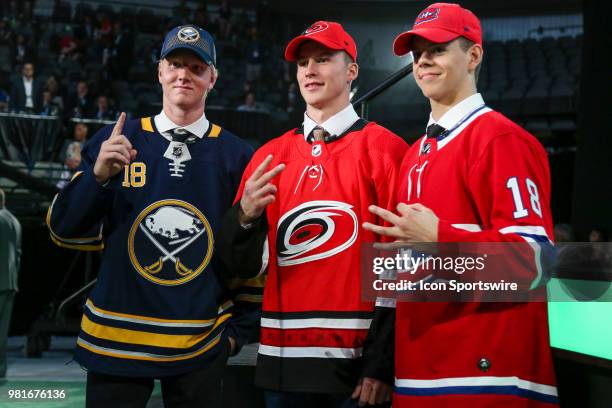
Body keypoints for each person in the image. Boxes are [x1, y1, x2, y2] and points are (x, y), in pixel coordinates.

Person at [47, 24, 258, 407]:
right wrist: (97, 179)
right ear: (160, 71)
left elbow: (248, 257)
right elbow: (63, 231)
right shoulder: (117, 140)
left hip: (200, 341)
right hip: (115, 339)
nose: (184, 75)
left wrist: (235, 334)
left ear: (213, 78)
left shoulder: (238, 156)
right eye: (176, 64)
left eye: (196, 68)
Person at [363, 3, 559, 407]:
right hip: (415, 376)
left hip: (487, 381)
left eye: (436, 49)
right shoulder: (414, 152)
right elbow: (402, 279)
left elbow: (537, 265)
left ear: (473, 56)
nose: (423, 61)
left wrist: (439, 237)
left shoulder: (502, 140)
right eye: (417, 53)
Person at [217, 21, 408, 408]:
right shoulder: (268, 157)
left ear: (352, 70)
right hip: (283, 362)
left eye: (323, 59)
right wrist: (245, 217)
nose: (310, 70)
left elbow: (398, 267)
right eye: (303, 62)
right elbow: (238, 264)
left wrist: (381, 363)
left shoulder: (387, 150)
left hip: (356, 368)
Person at [0, 189, 21, 379]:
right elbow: (18, 254)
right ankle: (1, 369)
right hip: (11, 282)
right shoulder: (15, 221)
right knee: (3, 330)